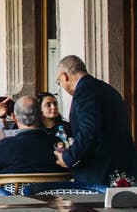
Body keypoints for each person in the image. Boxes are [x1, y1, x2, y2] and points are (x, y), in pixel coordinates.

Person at [53, 55, 137, 184]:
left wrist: (68, 157)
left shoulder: (84, 91)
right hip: (123, 164)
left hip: (101, 169)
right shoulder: (107, 89)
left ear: (64, 76)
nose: (62, 85)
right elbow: (102, 123)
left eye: (59, 82)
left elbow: (89, 131)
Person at [0, 96, 66, 174]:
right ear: (40, 115)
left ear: (15, 117)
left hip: (12, 193)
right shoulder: (56, 143)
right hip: (52, 192)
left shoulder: (6, 145)